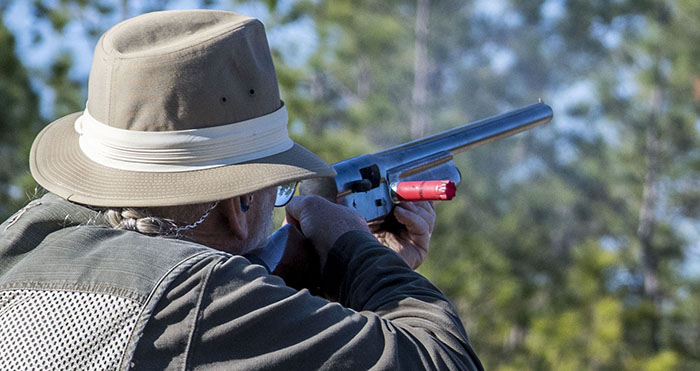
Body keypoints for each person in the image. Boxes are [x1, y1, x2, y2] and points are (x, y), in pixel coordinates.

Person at [0, 9, 483, 370]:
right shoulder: (201, 294)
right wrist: (353, 248)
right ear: (240, 203)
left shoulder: (21, 245)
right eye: (274, 190)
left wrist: (328, 284)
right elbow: (440, 359)